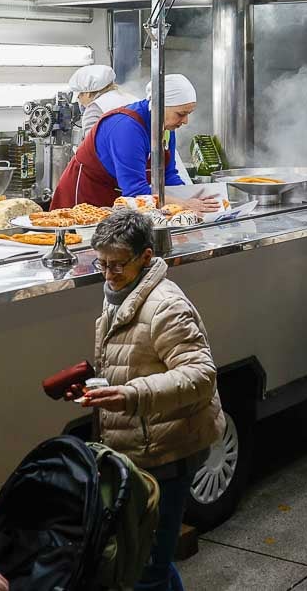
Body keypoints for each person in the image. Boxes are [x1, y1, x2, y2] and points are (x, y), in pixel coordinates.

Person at [79, 209, 224, 591]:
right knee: (147, 562)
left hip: (167, 451)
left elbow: (201, 376)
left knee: (148, 568)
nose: (107, 274)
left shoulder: (166, 306)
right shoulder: (123, 290)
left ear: (145, 258)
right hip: (139, 445)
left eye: (117, 265)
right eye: (102, 263)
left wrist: (130, 396)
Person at [50, 74, 218, 212]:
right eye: (181, 114)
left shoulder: (165, 127)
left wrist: (190, 199)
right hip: (86, 197)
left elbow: (168, 176)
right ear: (159, 106)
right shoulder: (127, 128)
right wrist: (184, 205)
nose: (186, 121)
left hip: (120, 199)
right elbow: (136, 191)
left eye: (189, 113)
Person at [69, 64, 137, 136]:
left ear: (87, 93)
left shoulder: (95, 109)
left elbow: (92, 144)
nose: (80, 102)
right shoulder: (131, 98)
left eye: (79, 97)